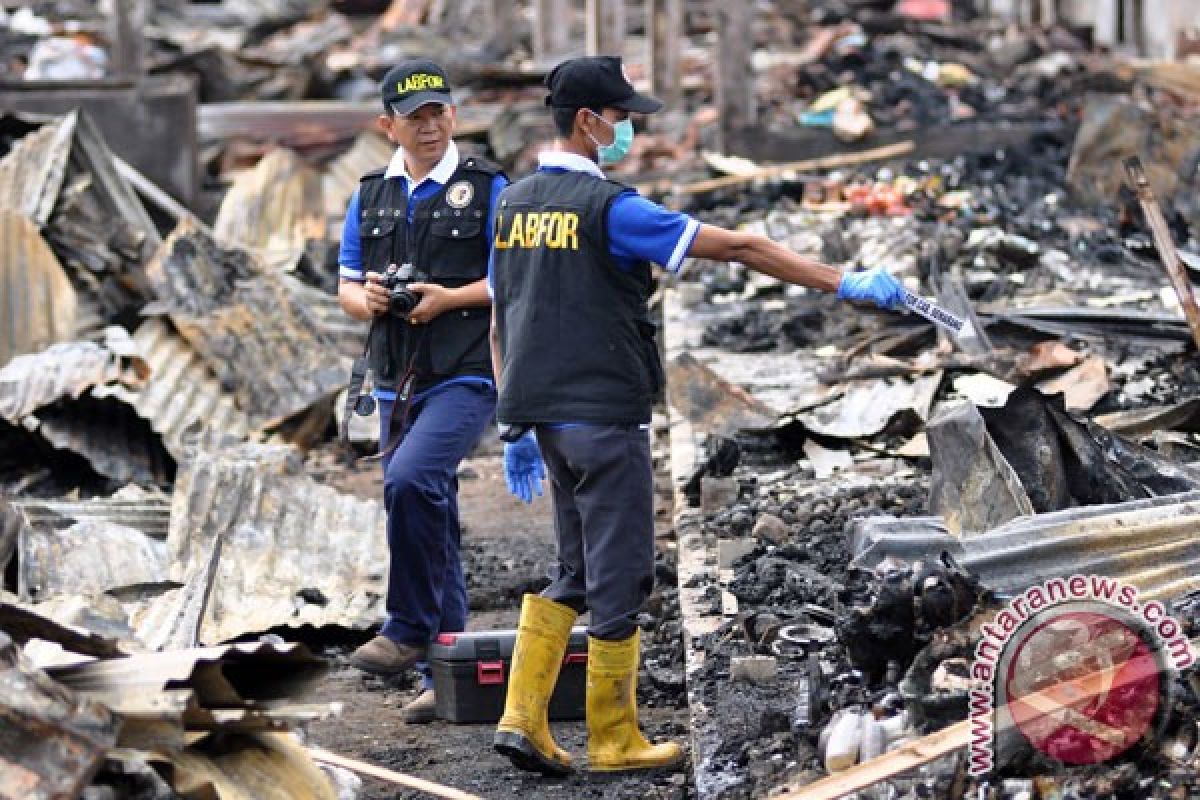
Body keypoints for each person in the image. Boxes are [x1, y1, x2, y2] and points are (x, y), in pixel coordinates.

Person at [487, 56, 906, 775]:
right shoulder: (613, 210)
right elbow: (739, 246)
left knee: (576, 567)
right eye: (620, 120)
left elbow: (502, 312)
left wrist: (511, 419)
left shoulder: (514, 203)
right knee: (623, 577)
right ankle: (614, 736)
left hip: (545, 422)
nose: (628, 133)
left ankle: (522, 717)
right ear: (587, 122)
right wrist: (843, 281)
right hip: (603, 417)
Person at [337, 59, 508, 724]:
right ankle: (453, 669)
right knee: (427, 505)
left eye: (439, 113)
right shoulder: (369, 194)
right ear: (389, 127)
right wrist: (371, 299)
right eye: (415, 118)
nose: (429, 125)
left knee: (409, 482)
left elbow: (514, 279)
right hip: (394, 378)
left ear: (454, 117)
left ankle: (406, 626)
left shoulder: (489, 187)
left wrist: (448, 300)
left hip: (467, 369)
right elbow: (347, 286)